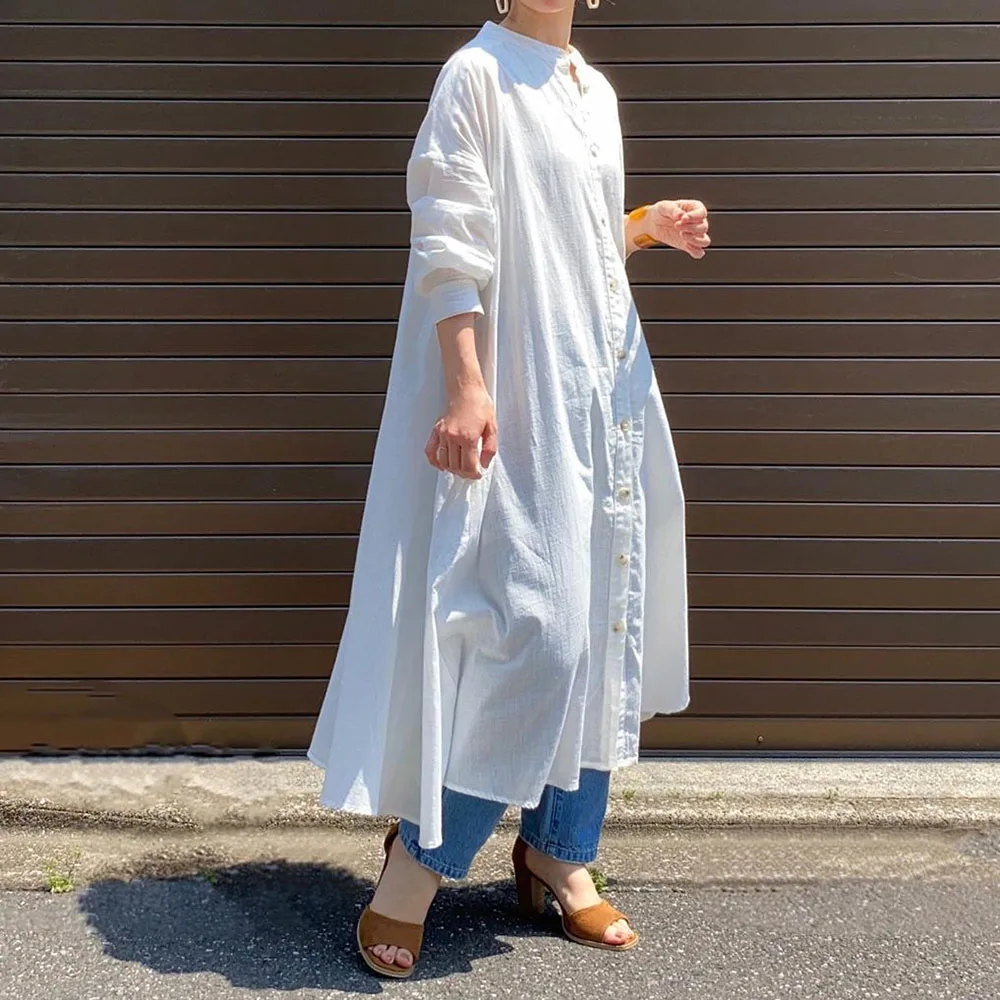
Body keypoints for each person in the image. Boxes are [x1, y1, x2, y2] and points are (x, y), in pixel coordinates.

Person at [306, 0, 710, 978]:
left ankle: (559, 853)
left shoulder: (593, 92)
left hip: (603, 388)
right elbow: (450, 238)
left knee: (606, 618)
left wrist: (641, 228)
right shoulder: (475, 76)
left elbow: (573, 243)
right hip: (516, 394)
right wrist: (466, 386)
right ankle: (419, 862)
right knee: (539, 629)